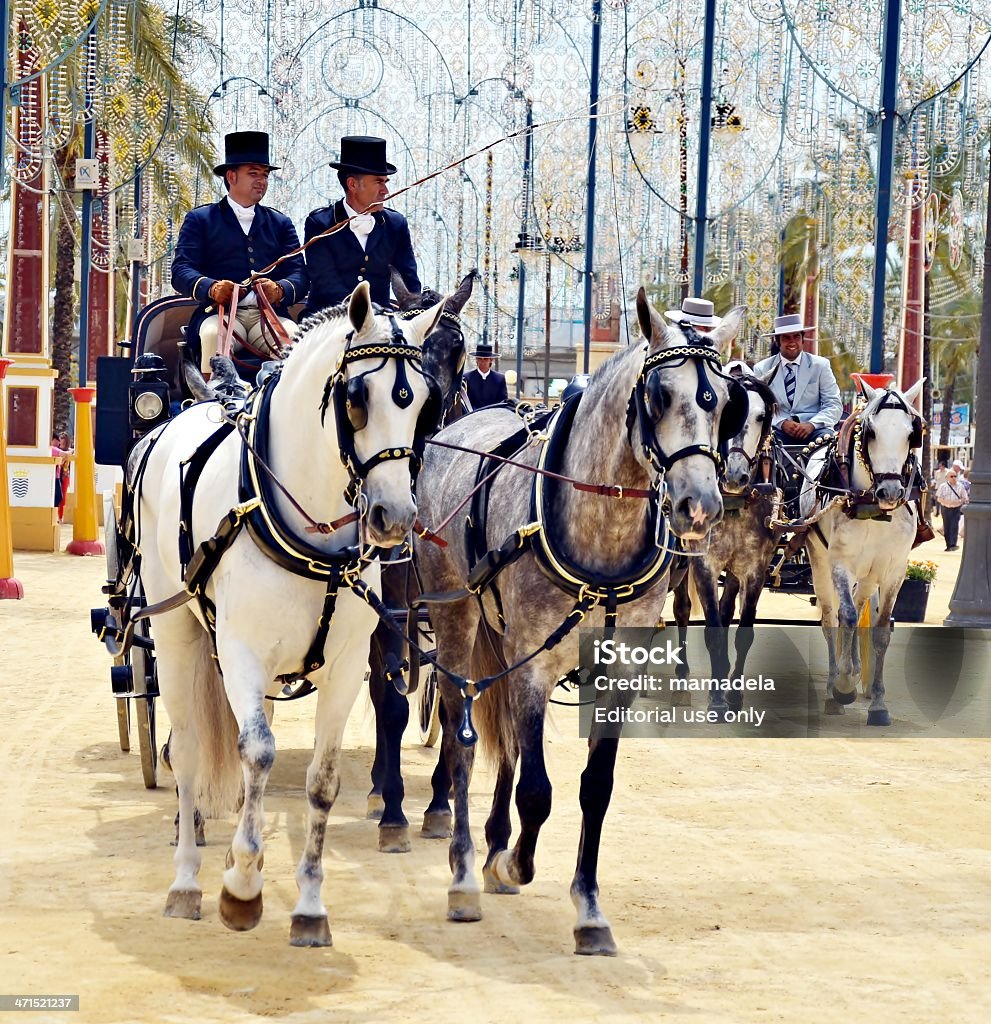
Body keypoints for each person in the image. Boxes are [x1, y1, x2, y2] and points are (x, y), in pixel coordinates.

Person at [171, 131, 308, 375]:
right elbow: (181, 271)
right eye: (253, 174)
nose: (262, 181)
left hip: (268, 316)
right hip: (218, 314)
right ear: (231, 176)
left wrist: (279, 290)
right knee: (213, 336)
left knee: (295, 339)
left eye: (265, 175)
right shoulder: (200, 219)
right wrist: (212, 288)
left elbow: (300, 274)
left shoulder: (281, 223)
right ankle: (210, 402)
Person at [303, 136, 420, 316]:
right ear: (352, 184)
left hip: (381, 322)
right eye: (378, 182)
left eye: (385, 182)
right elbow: (326, 284)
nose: (386, 191)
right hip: (329, 320)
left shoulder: (396, 225)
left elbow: (409, 280)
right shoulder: (320, 224)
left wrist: (414, 312)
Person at [753, 313, 842, 444]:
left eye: (796, 337)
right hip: (777, 430)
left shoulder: (820, 365)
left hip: (815, 430)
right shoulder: (762, 368)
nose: (792, 342)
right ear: (777, 341)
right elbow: (759, 407)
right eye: (786, 338)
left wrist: (812, 424)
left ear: (802, 339)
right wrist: (782, 423)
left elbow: (834, 404)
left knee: (830, 446)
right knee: (763, 445)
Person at [464, 342, 508, 409]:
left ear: (491, 360)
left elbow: (503, 401)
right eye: (480, 359)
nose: (482, 362)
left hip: (494, 415)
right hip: (472, 415)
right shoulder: (467, 378)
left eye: (485, 359)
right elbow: (464, 401)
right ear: (476, 359)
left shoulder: (499, 379)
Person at [936, 467, 969, 550]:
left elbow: (965, 498)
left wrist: (959, 502)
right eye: (951, 476)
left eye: (955, 476)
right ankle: (948, 545)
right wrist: (947, 502)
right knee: (947, 527)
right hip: (945, 508)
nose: (954, 478)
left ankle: (953, 544)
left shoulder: (960, 486)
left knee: (954, 526)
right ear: (947, 478)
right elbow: (939, 498)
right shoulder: (943, 486)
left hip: (956, 509)